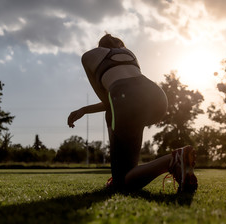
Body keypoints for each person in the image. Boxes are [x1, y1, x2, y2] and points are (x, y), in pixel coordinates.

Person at [67, 34, 197, 193]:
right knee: (127, 170)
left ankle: (173, 160)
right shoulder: (129, 53)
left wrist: (85, 110)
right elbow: (132, 89)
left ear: (99, 45)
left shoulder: (88, 56)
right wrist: (85, 110)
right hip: (156, 98)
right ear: (120, 44)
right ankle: (176, 165)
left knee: (122, 185)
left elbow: (110, 101)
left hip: (127, 102)